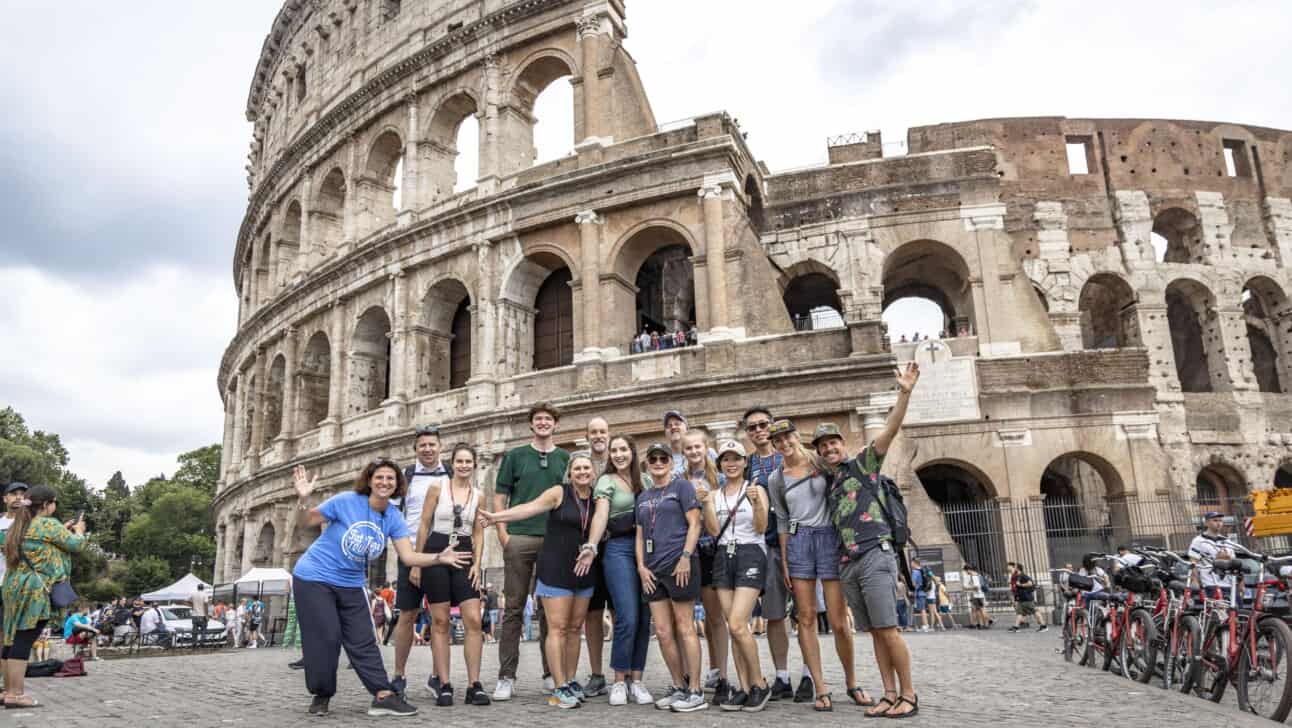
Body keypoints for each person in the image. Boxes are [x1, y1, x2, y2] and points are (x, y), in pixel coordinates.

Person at [290, 459, 462, 717]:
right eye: (379, 477)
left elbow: (408, 557)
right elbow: (306, 522)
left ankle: (382, 695)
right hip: (315, 577)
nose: (385, 482)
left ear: (397, 485)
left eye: (390, 479)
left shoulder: (393, 516)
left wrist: (438, 558)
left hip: (350, 582)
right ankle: (321, 694)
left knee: (363, 639)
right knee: (326, 637)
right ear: (369, 481)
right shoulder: (346, 501)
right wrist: (303, 499)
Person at [816, 360, 922, 718]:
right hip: (848, 562)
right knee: (875, 632)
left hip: (876, 552)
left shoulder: (863, 463)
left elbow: (890, 430)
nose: (829, 448)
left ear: (842, 444)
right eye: (823, 446)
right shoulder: (829, 484)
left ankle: (909, 694)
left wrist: (903, 394)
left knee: (889, 629)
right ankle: (888, 693)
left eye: (833, 442)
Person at [479, 452, 599, 710]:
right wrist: (496, 518)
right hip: (556, 565)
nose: (582, 472)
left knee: (576, 628)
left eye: (586, 468)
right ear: (570, 471)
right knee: (557, 628)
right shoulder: (558, 492)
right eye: (577, 468)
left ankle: (569, 679)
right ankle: (558, 687)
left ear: (593, 471)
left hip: (584, 567)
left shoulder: (598, 497)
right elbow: (529, 508)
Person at [768, 419, 868, 711]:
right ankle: (820, 688)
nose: (784, 444)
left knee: (838, 619)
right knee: (806, 617)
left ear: (797, 437)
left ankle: (852, 682)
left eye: (788, 437)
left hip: (828, 537)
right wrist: (785, 559)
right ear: (773, 446)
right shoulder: (777, 478)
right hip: (799, 542)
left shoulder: (820, 463)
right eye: (778, 441)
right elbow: (783, 521)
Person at [492, 402, 570, 701]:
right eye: (538, 419)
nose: (543, 423)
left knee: (550, 610)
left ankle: (551, 672)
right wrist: (503, 535)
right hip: (519, 538)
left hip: (554, 541)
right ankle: (506, 676)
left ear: (555, 424)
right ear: (531, 424)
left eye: (548, 419)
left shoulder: (565, 457)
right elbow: (500, 497)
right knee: (513, 609)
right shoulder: (515, 456)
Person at [413, 443, 490, 708]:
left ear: (474, 464)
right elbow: (424, 524)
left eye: (469, 461)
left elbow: (479, 532)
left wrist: (477, 564)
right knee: (440, 621)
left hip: (465, 552)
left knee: (473, 620)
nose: (464, 466)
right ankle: (444, 684)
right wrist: (416, 562)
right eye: (460, 461)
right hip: (437, 550)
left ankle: (474, 685)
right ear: (452, 463)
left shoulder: (479, 495)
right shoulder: (437, 488)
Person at [0, 483, 88, 709]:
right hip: (35, 590)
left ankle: (7, 691)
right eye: (54, 502)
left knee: (11, 638)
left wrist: (63, 529)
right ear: (47, 504)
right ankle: (16, 694)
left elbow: (39, 544)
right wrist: (78, 530)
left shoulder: (17, 525)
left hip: (12, 586)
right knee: (24, 639)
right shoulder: (49, 524)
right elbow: (76, 545)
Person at [699, 439, 772, 712]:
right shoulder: (715, 494)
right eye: (726, 460)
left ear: (745, 462)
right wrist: (706, 503)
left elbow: (761, 527)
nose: (731, 464)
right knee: (732, 626)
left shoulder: (755, 489)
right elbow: (714, 530)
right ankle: (742, 687)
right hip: (722, 556)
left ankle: (759, 684)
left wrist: (757, 504)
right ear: (720, 465)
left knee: (740, 623)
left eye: (736, 459)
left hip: (750, 552)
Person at [636, 442, 707, 713]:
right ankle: (678, 685)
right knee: (664, 632)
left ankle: (696, 689)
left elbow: (695, 524)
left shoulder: (682, 487)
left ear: (670, 462)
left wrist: (686, 557)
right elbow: (640, 536)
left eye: (662, 458)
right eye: (652, 458)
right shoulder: (642, 497)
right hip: (653, 570)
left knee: (685, 626)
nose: (657, 462)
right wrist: (641, 567)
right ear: (647, 464)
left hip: (680, 565)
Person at [585, 434, 653, 707]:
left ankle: (636, 680)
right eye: (614, 450)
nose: (618, 454)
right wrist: (591, 544)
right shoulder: (605, 480)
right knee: (627, 616)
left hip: (647, 549)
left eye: (623, 449)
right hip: (618, 549)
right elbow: (601, 514)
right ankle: (618, 680)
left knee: (645, 617)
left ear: (633, 452)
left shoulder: (646, 481)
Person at [390, 425, 449, 697]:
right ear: (415, 449)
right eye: (422, 445)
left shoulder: (450, 474)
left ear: (440, 447)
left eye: (432, 445)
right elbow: (393, 518)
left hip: (442, 555)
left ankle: (438, 676)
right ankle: (399, 675)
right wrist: (407, 557)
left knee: (441, 618)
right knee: (408, 615)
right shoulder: (405, 477)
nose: (427, 449)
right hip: (411, 552)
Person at [741, 407, 793, 701]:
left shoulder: (789, 454)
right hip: (768, 542)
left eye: (763, 425)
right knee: (774, 615)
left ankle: (811, 677)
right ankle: (782, 676)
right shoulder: (749, 465)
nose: (759, 430)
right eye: (752, 427)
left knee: (807, 615)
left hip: (799, 542)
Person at [680, 429, 730, 704]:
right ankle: (690, 674)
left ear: (705, 447)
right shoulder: (679, 480)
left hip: (711, 549)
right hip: (687, 551)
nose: (694, 452)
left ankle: (722, 676)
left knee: (714, 617)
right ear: (684, 452)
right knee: (686, 621)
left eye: (697, 447)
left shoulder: (719, 478)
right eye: (688, 448)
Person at [580, 417, 611, 697]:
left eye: (602, 431)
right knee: (592, 614)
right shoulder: (581, 466)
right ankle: (597, 673)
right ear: (587, 436)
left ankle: (624, 674)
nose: (598, 436)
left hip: (617, 546)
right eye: (593, 432)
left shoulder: (619, 462)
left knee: (621, 611)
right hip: (590, 549)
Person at [0, 481, 27, 694]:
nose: (18, 497)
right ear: (5, 499)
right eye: (13, 494)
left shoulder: (30, 524)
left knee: (13, 637)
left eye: (22, 494)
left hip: (18, 586)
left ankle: (11, 688)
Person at [1189, 511, 1238, 599]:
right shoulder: (1198, 541)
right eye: (1215, 520)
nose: (1219, 523)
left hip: (1229, 584)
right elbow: (1193, 562)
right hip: (1210, 583)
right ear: (1207, 523)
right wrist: (1195, 580)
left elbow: (1234, 563)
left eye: (1220, 521)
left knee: (1236, 610)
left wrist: (1240, 581)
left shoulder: (1227, 541)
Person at [1007, 562, 1045, 633]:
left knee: (1035, 611)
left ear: (1017, 568)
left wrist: (1020, 585)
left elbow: (1030, 583)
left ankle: (1043, 626)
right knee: (1019, 613)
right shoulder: (1018, 576)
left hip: (1026, 597)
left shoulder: (1023, 575)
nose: (1013, 568)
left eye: (1014, 567)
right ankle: (1016, 627)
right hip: (1021, 598)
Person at [963, 565, 989, 629]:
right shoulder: (978, 575)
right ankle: (982, 624)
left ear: (968, 570)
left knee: (981, 610)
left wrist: (967, 588)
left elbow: (976, 587)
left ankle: (985, 624)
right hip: (980, 595)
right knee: (979, 610)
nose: (966, 572)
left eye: (966, 571)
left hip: (977, 595)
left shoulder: (973, 576)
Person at [189, 583, 210, 649]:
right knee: (204, 630)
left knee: (194, 630)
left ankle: (194, 643)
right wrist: (207, 615)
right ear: (203, 588)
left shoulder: (193, 594)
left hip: (194, 615)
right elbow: (206, 604)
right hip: (202, 615)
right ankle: (202, 643)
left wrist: (192, 606)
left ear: (197, 588)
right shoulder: (205, 594)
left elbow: (186, 600)